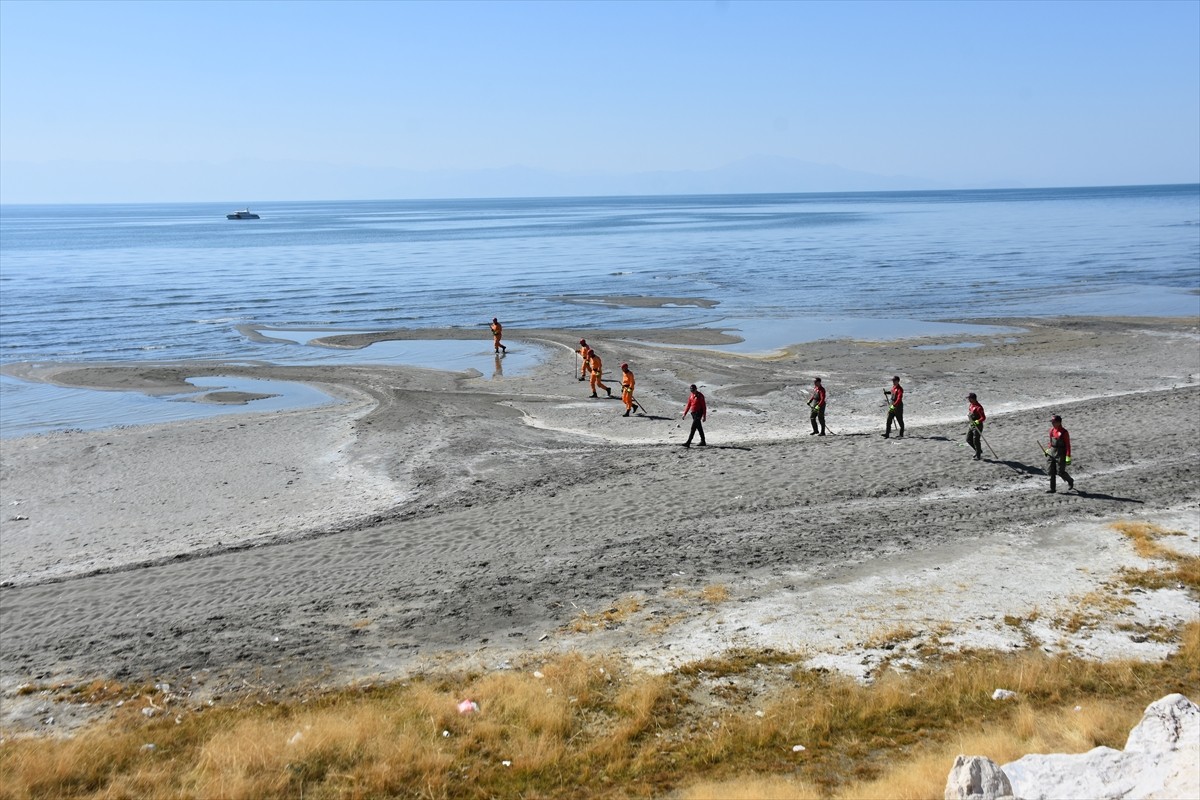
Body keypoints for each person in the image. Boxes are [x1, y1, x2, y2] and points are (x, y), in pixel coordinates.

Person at [1045, 414, 1075, 493]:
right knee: (1051, 471)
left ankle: (1070, 480)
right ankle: (1052, 488)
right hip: (1052, 452)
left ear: (1059, 422)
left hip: (1061, 453)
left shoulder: (1064, 432)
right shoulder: (1051, 430)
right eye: (1052, 422)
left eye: (1054, 422)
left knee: (1060, 472)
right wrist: (1048, 450)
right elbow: (1051, 442)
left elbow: (1068, 445)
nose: (1052, 423)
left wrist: (1068, 456)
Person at [966, 392, 986, 460]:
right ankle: (978, 451)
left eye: (969, 398)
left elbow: (983, 417)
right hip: (971, 425)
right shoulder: (971, 405)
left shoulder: (979, 407)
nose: (968, 400)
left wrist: (976, 422)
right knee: (968, 439)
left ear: (973, 399)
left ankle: (978, 455)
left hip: (978, 426)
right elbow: (970, 412)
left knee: (976, 440)